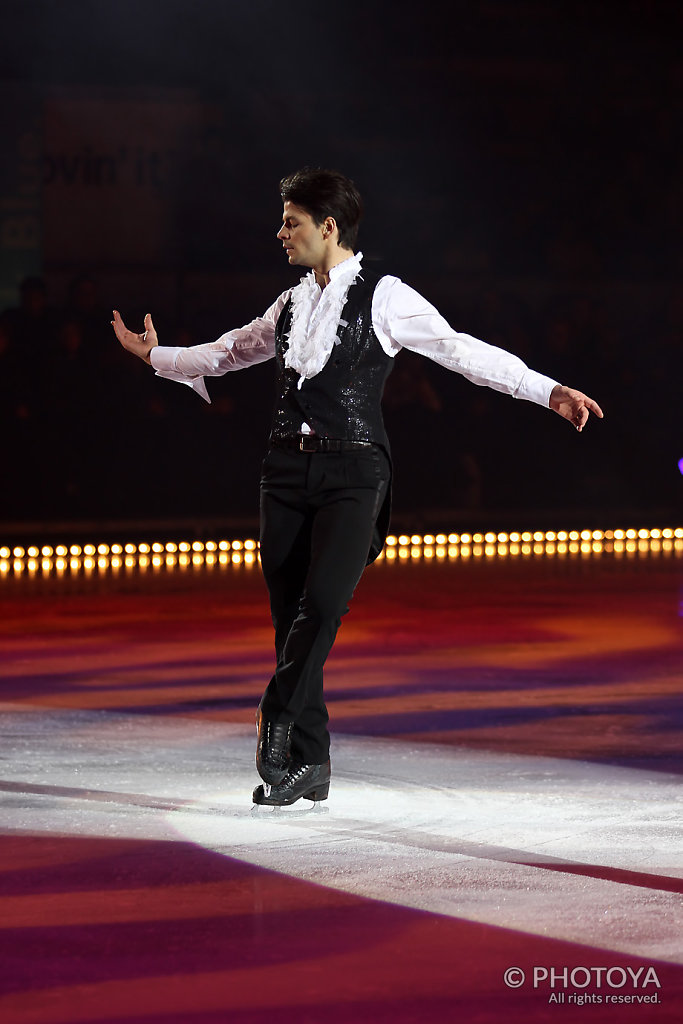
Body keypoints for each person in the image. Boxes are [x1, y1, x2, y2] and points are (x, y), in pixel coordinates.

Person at [112, 167, 603, 807]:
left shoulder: (386, 295)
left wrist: (545, 389)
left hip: (354, 472)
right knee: (290, 617)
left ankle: (277, 714)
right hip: (284, 473)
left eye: (292, 222)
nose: (280, 233)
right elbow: (228, 353)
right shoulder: (289, 303)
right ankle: (308, 766)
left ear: (328, 226)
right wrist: (156, 357)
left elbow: (460, 351)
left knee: (323, 602)